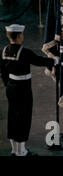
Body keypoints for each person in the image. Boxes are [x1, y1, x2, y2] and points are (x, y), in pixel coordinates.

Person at [0, 24, 56, 156]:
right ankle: (22, 152)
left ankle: (15, 150)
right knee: (23, 118)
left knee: (13, 117)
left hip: (11, 87)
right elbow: (39, 61)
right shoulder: (24, 52)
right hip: (22, 88)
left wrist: (7, 85)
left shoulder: (4, 51)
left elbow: (2, 72)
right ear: (20, 36)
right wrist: (54, 61)